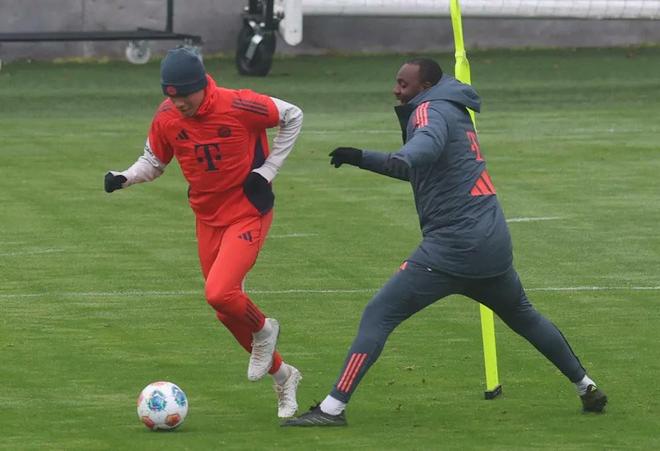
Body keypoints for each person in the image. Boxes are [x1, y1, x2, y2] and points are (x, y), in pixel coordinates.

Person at [283, 58, 606, 427]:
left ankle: (331, 409)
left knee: (379, 314)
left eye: (403, 84)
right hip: (492, 242)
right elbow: (420, 169)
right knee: (525, 317)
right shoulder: (455, 110)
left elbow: (421, 150)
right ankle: (586, 386)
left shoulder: (429, 111)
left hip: (453, 247)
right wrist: (364, 158)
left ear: (424, 87)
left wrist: (391, 155)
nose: (396, 90)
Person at [104, 47, 303, 418]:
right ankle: (283, 376)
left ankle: (264, 330)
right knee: (226, 311)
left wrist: (268, 170)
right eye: (171, 96)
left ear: (202, 85)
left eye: (184, 95)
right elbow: (154, 161)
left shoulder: (240, 104)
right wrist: (125, 177)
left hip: (247, 212)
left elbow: (292, 115)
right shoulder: (167, 116)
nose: (179, 103)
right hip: (207, 218)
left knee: (220, 292)